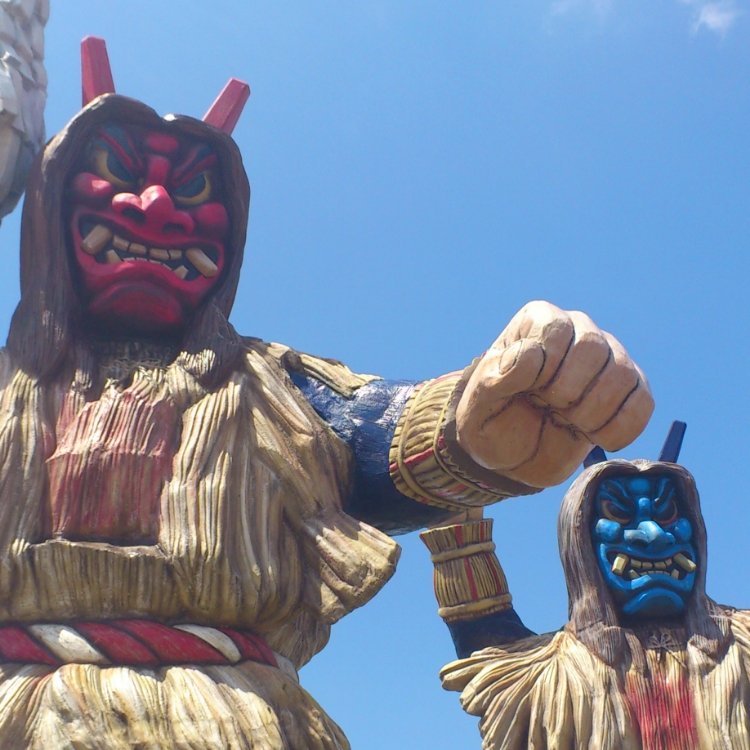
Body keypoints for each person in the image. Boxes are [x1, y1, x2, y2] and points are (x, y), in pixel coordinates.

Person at [0, 39, 652, 748]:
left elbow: (377, 427)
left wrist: (482, 416)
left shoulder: (270, 387)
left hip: (237, 719)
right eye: (116, 173)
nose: (158, 209)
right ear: (50, 205)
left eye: (193, 192)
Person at [424, 435, 750, 748]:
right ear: (579, 542)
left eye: (667, 513)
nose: (653, 535)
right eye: (617, 513)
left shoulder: (742, 646)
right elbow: (486, 638)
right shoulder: (550, 674)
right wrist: (458, 532)